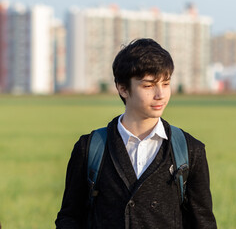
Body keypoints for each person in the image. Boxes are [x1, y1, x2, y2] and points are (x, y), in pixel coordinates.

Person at [55, 38, 217, 228]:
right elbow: (70, 218)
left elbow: (203, 222)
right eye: (148, 86)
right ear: (122, 88)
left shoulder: (189, 150)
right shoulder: (90, 149)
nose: (160, 94)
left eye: (166, 84)